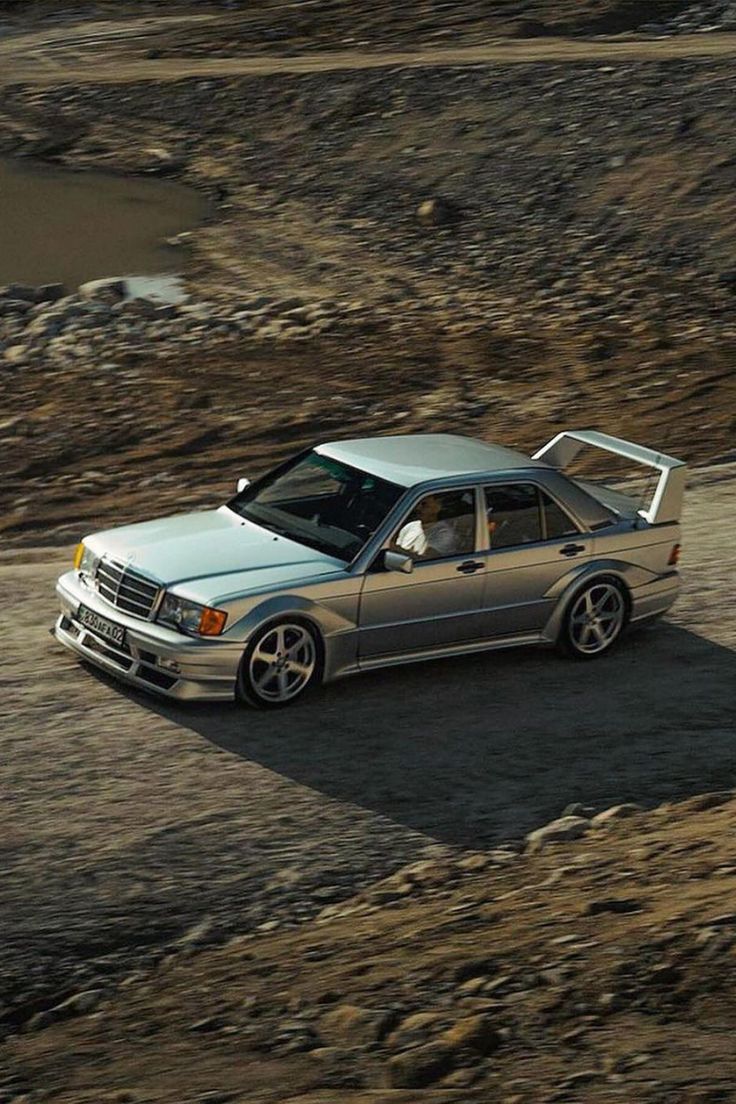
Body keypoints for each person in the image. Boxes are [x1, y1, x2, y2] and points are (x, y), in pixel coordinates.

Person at [395, 494, 461, 558]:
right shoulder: (411, 525)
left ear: (436, 508)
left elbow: (427, 558)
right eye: (417, 504)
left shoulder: (444, 534)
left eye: (424, 504)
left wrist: (393, 547)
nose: (418, 508)